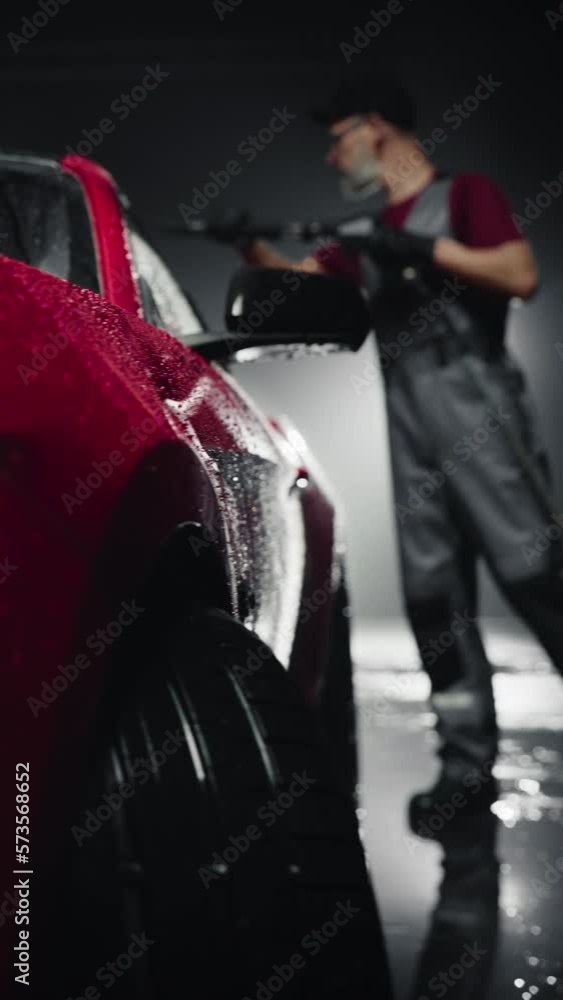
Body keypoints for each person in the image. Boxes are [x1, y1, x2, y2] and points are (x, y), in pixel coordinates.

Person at [223, 70, 563, 834]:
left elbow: (519, 273)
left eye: (337, 138)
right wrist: (247, 246)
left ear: (374, 126)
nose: (330, 156)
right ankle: (463, 774)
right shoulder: (361, 235)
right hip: (410, 432)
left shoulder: (462, 196)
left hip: (480, 416)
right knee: (433, 602)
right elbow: (298, 287)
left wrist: (420, 247)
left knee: (537, 578)